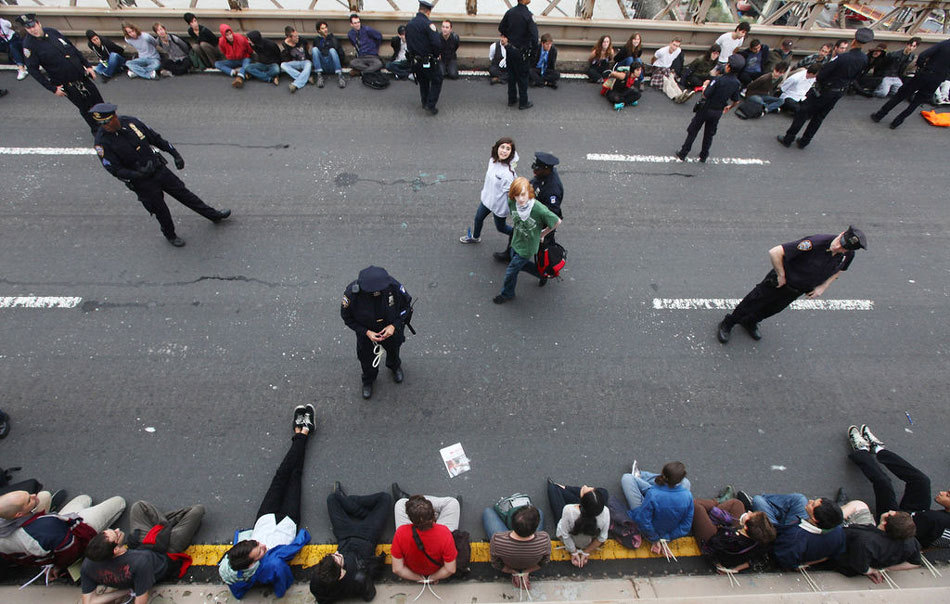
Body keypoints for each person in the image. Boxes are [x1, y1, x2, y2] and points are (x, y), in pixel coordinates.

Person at [90, 103, 231, 247]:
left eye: (107, 121)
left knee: (185, 195)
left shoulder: (131, 123)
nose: (105, 126)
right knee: (160, 210)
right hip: (142, 183)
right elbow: (114, 169)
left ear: (114, 117)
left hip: (158, 170)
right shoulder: (102, 142)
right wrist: (137, 174)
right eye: (101, 123)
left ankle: (213, 215)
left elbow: (155, 138)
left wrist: (175, 154)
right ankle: (170, 235)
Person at [219, 404, 316, 599]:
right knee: (294, 476)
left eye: (255, 543)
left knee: (282, 475)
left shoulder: (229, 566)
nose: (262, 546)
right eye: (260, 551)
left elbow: (237, 591)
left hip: (265, 519)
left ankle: (303, 433)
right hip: (287, 524)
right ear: (252, 564)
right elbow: (283, 582)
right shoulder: (270, 567)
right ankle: (302, 432)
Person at [716, 226, 866, 343]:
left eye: (843, 248)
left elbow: (840, 271)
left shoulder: (848, 254)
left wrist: (823, 287)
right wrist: (781, 275)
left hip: (797, 290)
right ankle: (729, 323)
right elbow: (775, 252)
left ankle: (750, 321)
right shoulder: (815, 243)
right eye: (840, 243)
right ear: (841, 234)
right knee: (754, 301)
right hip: (780, 282)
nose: (839, 248)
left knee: (773, 309)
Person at [846, 424, 950, 548]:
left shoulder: (935, 520)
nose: (942, 492)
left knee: (884, 484)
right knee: (921, 481)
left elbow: (906, 531)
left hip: (896, 528)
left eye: (948, 495)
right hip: (917, 516)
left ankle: (861, 451)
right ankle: (878, 450)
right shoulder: (934, 519)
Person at [80, 500, 204, 604]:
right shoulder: (140, 562)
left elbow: (90, 601)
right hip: (165, 552)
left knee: (139, 507)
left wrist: (123, 591)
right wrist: (132, 589)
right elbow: (140, 600)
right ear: (116, 549)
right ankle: (168, 524)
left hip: (140, 546)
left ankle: (166, 524)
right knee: (197, 511)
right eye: (116, 534)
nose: (118, 530)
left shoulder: (89, 564)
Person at [778, 28, 873, 149]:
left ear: (854, 40)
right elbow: (856, 76)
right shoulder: (864, 59)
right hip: (838, 92)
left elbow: (822, 75)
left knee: (803, 113)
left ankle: (788, 138)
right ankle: (804, 141)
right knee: (819, 118)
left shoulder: (842, 58)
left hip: (824, 90)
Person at [19, 13, 105, 134]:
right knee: (85, 108)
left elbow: (72, 49)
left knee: (98, 101)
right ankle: (97, 131)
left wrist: (88, 65)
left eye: (33, 26)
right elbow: (33, 70)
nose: (33, 30)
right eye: (29, 28)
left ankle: (108, 125)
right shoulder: (29, 46)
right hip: (67, 83)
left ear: (38, 23)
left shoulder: (52, 32)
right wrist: (52, 88)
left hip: (81, 75)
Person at [0, 490, 124, 572]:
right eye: (29, 501)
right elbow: (70, 550)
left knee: (82, 499)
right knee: (119, 502)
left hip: (51, 527)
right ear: (19, 514)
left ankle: (45, 511)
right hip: (73, 529)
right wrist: (59, 567)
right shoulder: (46, 528)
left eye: (28, 494)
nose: (33, 495)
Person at [309, 484, 390, 603]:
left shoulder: (316, 584)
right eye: (338, 558)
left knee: (332, 499)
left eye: (333, 555)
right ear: (341, 575)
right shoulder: (358, 578)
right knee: (385, 499)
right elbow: (370, 595)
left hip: (344, 535)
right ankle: (361, 512)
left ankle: (365, 514)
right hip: (367, 536)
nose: (337, 553)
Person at [340, 266, 413, 399]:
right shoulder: (352, 294)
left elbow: (407, 307)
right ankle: (368, 380)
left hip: (390, 330)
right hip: (367, 334)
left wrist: (394, 326)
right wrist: (366, 332)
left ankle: (394, 366)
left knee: (394, 350)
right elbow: (347, 317)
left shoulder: (393, 286)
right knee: (366, 358)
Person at [492, 177, 561, 303]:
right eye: (517, 196)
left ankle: (507, 294)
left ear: (529, 192)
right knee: (520, 265)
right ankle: (541, 274)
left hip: (528, 247)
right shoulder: (512, 202)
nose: (521, 199)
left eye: (523, 194)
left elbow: (556, 221)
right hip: (516, 241)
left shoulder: (539, 209)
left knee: (511, 271)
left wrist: (542, 234)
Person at [675, 54, 743, 163]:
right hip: (718, 111)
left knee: (693, 130)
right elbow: (736, 100)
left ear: (729, 67)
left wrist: (706, 85)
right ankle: (704, 155)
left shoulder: (718, 80)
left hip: (706, 109)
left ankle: (683, 153)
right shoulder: (736, 83)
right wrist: (729, 107)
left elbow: (706, 94)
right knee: (709, 134)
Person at [871, 37, 950, 129]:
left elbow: (923, 55)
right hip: (937, 79)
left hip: (925, 74)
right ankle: (897, 122)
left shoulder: (944, 44)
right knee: (916, 103)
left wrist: (922, 67)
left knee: (900, 95)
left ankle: (879, 115)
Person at [621, 462, 694, 554]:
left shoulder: (653, 493)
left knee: (627, 478)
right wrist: (667, 537)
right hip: (667, 535)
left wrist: (655, 538)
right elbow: (686, 526)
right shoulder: (688, 496)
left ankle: (641, 476)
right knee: (686, 482)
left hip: (650, 533)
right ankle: (642, 476)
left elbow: (643, 520)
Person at [390, 488, 459, 583]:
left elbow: (397, 569)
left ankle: (412, 503)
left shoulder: (401, 533)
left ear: (410, 518)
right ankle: (421, 505)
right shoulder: (444, 533)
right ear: (432, 515)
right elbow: (450, 569)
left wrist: (420, 578)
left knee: (400, 503)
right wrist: (432, 578)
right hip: (437, 569)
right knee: (453, 503)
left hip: (413, 570)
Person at [459, 137, 517, 245]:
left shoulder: (508, 174)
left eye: (508, 149)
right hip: (488, 199)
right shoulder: (492, 161)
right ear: (497, 148)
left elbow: (511, 194)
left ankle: (518, 235)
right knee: (478, 218)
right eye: (502, 147)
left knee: (501, 227)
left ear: (511, 153)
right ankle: (475, 237)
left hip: (499, 205)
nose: (504, 151)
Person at [692, 498, 775, 572]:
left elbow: (713, 544)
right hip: (730, 532)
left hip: (713, 539)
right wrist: (736, 569)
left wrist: (718, 521)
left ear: (745, 527)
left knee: (697, 505)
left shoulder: (728, 538)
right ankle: (712, 506)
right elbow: (755, 560)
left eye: (750, 515)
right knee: (737, 504)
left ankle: (713, 504)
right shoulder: (762, 539)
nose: (749, 511)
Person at [763, 495, 845, 570]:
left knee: (758, 500)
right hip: (794, 528)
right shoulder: (837, 531)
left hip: (778, 532)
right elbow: (832, 555)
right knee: (800, 499)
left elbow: (784, 561)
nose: (810, 501)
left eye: (812, 505)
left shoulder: (794, 538)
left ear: (814, 519)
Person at [485, 504, 550, 591]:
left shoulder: (497, 539)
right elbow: (544, 562)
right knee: (539, 512)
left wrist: (513, 572)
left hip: (509, 564)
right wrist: (526, 572)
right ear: (536, 527)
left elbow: (496, 564)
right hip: (530, 564)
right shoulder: (544, 538)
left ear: (512, 524)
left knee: (487, 512)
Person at [546, 480, 609, 568]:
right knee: (603, 492)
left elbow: (565, 535)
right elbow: (602, 538)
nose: (586, 485)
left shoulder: (568, 510)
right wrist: (586, 552)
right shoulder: (605, 512)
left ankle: (564, 488)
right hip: (588, 540)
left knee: (553, 488)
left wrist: (574, 552)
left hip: (571, 534)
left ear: (580, 502)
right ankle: (567, 489)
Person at [406, 1, 444, 116]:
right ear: (428, 11)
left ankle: (424, 101)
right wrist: (437, 54)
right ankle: (431, 105)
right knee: (437, 79)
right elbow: (436, 42)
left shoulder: (410, 24)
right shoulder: (428, 25)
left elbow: (408, 42)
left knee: (423, 81)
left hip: (415, 60)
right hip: (428, 60)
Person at [498, 0, 539, 110]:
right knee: (523, 77)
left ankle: (511, 99)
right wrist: (533, 53)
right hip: (522, 51)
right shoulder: (529, 16)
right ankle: (523, 102)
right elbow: (535, 37)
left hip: (510, 49)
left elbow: (501, 27)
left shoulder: (510, 12)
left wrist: (507, 38)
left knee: (511, 75)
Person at [216, 24, 253, 88]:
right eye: (227, 35)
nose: (230, 37)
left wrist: (247, 55)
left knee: (247, 62)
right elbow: (224, 51)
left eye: (230, 34)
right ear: (224, 36)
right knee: (217, 64)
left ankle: (239, 78)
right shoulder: (221, 42)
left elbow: (249, 50)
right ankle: (235, 73)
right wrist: (229, 56)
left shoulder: (240, 39)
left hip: (243, 58)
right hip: (232, 60)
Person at [312, 21, 345, 88]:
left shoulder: (332, 38)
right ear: (319, 31)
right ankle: (319, 76)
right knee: (314, 49)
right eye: (323, 28)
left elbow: (340, 52)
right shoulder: (316, 40)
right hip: (323, 65)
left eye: (326, 27)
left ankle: (340, 76)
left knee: (332, 50)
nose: (325, 30)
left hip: (332, 64)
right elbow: (316, 55)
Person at [280, 26, 312, 93]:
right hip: (295, 62)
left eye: (297, 35)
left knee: (309, 64)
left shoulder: (302, 40)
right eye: (295, 36)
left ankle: (295, 84)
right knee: (283, 65)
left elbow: (307, 46)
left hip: (304, 61)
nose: (297, 37)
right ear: (289, 37)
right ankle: (305, 77)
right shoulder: (284, 44)